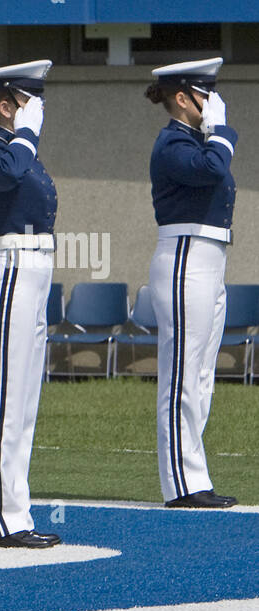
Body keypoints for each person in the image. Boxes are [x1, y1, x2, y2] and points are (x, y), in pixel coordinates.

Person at [0, 60, 62, 549]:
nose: (39, 111)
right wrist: (24, 133)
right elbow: (6, 176)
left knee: (23, 405)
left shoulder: (22, 151)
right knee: (3, 403)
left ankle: (15, 514)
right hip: (10, 277)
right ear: (7, 106)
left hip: (35, 276)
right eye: (30, 101)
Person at [144, 58, 238, 509]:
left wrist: (216, 131)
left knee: (200, 375)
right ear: (182, 98)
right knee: (182, 373)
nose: (213, 102)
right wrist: (221, 131)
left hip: (210, 257)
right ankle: (181, 483)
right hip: (185, 257)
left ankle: (193, 475)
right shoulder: (173, 144)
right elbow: (214, 168)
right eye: (206, 94)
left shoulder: (196, 142)